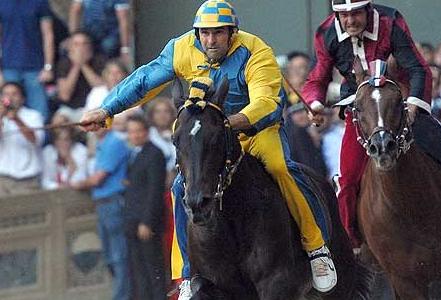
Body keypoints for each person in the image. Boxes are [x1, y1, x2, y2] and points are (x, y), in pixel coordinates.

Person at [78, 0, 337, 297]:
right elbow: (144, 81)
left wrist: (229, 124)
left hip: (254, 129)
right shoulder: (181, 48)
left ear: (231, 32)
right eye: (204, 33)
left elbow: (266, 102)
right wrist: (106, 110)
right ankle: (186, 276)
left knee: (281, 169)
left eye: (217, 34)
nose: (210, 40)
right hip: (210, 138)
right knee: (179, 187)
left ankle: (316, 248)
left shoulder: (256, 51)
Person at [302, 0, 441, 249]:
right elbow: (316, 78)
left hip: (401, 103)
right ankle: (351, 244)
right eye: (344, 15)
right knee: (346, 179)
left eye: (356, 13)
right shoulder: (326, 32)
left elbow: (417, 67)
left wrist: (414, 104)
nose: (350, 21)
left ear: (368, 10)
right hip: (362, 110)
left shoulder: (390, 21)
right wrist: (316, 104)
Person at [71, 125, 131, 300]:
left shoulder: (113, 142)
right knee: (110, 255)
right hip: (104, 203)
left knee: (118, 255)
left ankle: (122, 297)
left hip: (113, 201)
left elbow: (98, 178)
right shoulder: (102, 143)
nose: (94, 128)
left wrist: (78, 184)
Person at [124, 115, 167, 300]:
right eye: (131, 132)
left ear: (146, 132)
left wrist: (146, 222)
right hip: (132, 221)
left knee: (153, 270)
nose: (134, 135)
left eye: (138, 131)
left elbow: (155, 191)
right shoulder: (135, 154)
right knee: (138, 271)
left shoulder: (154, 153)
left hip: (146, 223)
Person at [0, 0, 55, 121]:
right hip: (8, 66)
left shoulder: (40, 2)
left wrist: (48, 67)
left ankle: (39, 140)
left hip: (35, 67)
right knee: (6, 110)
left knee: (40, 113)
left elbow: (48, 35)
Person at [0, 82, 45, 196]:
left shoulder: (33, 115)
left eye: (14, 94)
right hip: (3, 179)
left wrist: (17, 119)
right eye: (6, 94)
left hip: (28, 181)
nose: (9, 98)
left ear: (23, 98)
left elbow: (36, 140)